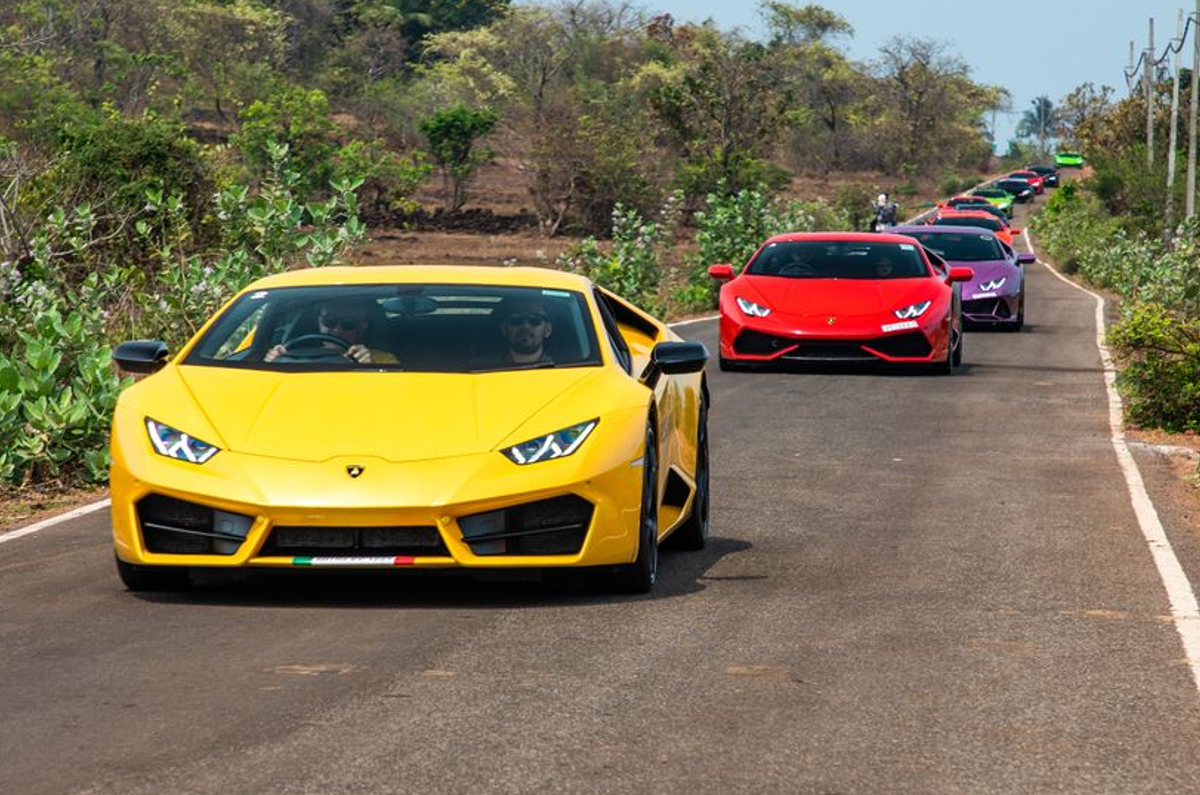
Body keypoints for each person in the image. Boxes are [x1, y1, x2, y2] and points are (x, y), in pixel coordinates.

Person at [265, 297, 397, 364]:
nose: (336, 329)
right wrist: (271, 364)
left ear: (362, 328)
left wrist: (369, 368)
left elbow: (397, 393)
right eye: (329, 321)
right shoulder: (290, 356)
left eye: (348, 324)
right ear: (318, 320)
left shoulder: (382, 360)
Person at [497, 296, 554, 365]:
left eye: (535, 319)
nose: (525, 326)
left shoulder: (563, 369)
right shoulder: (485, 367)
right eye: (516, 318)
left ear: (548, 330)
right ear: (504, 328)